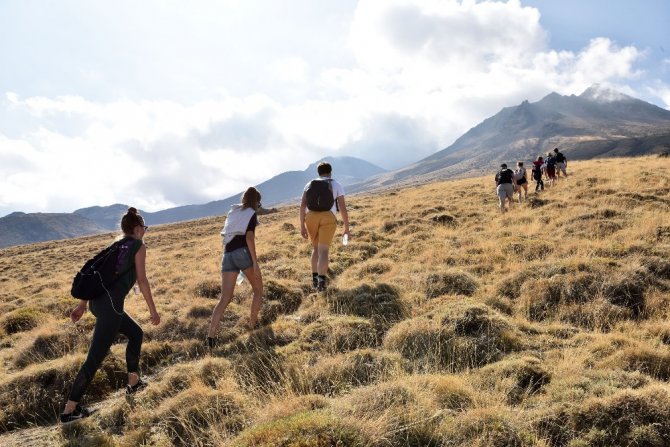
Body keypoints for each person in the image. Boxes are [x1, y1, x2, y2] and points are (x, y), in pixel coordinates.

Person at [61, 207, 160, 424]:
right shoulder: (137, 246)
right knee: (94, 358)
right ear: (137, 229)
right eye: (144, 228)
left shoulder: (116, 245)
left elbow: (100, 278)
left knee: (136, 333)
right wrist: (153, 310)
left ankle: (133, 382)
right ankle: (70, 411)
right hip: (110, 308)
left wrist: (82, 305)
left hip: (99, 304)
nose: (145, 231)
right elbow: (142, 280)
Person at [207, 187, 264, 348]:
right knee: (258, 289)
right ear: (256, 202)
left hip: (227, 255)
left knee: (224, 298)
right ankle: (253, 326)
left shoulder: (233, 213)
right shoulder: (251, 213)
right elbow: (250, 238)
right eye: (259, 204)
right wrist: (255, 262)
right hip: (242, 253)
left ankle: (211, 337)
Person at [299, 161, 350, 292]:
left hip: (310, 217)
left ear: (318, 172)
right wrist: (346, 228)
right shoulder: (335, 184)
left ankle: (315, 280)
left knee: (315, 249)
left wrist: (302, 226)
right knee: (324, 250)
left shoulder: (309, 184)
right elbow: (343, 208)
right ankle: (322, 284)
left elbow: (302, 206)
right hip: (328, 217)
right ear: (330, 172)